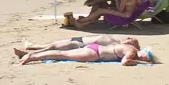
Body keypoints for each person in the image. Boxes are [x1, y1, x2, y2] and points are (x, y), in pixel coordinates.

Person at [17, 36, 149, 66]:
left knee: (62, 53)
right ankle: (32, 57)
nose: (143, 58)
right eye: (144, 57)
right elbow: (125, 62)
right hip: (94, 54)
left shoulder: (127, 47)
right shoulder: (132, 52)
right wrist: (142, 63)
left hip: (94, 48)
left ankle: (32, 55)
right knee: (63, 55)